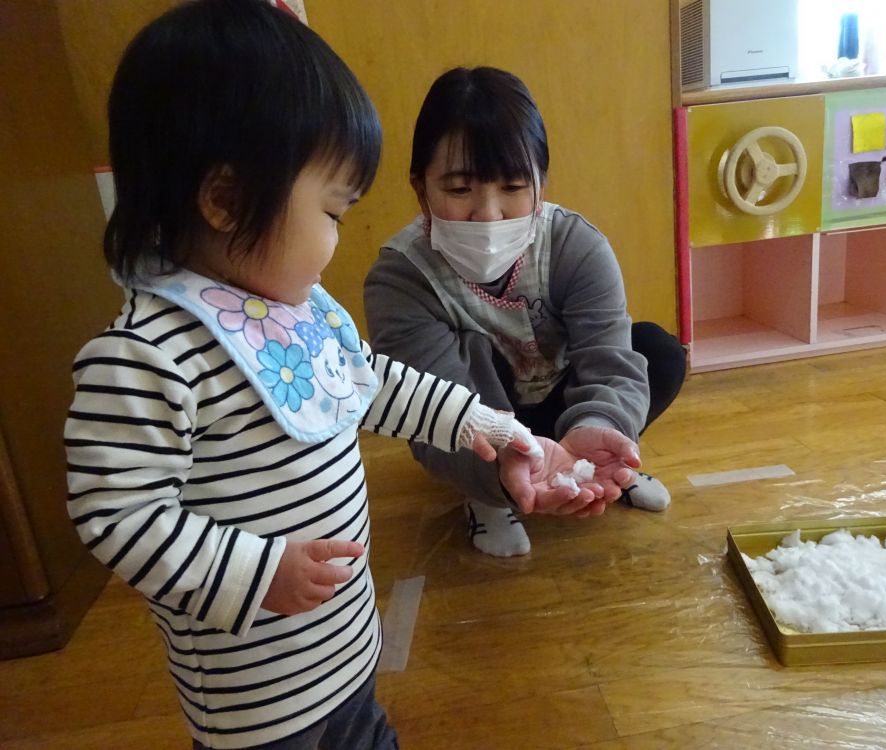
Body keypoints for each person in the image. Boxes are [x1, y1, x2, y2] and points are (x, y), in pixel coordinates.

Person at [63, 5, 620, 748]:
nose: (338, 238)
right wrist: (255, 575)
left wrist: (493, 428)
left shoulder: (290, 310)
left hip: (343, 650)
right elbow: (116, 516)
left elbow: (376, 384)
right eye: (330, 210)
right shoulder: (145, 355)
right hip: (256, 698)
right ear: (225, 201)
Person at [364, 66, 688, 558]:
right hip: (486, 419)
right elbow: (431, 411)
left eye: (514, 187)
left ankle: (605, 458)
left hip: (561, 398)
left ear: (541, 184)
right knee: (472, 355)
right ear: (421, 190)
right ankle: (488, 495)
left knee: (657, 352)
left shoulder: (575, 244)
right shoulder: (401, 278)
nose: (488, 213)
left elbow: (608, 358)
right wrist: (502, 461)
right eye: (458, 190)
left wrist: (599, 423)